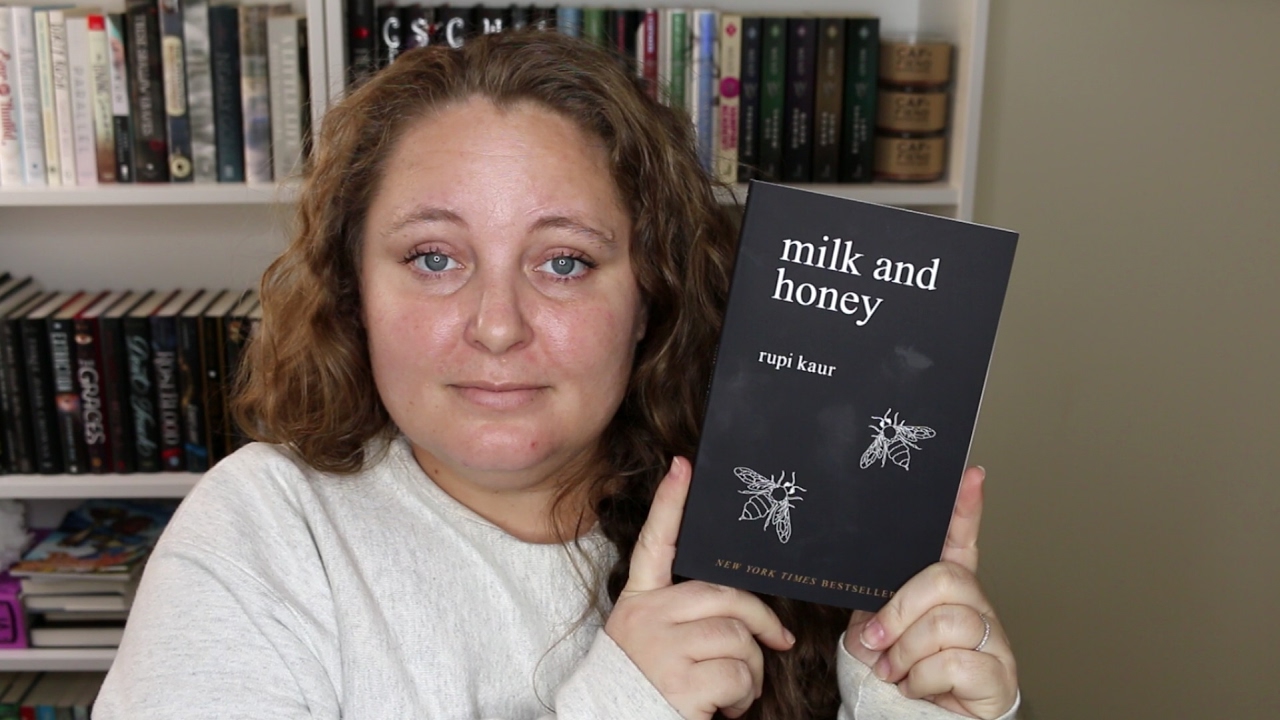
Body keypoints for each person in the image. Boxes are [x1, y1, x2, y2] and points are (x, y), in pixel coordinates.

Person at [94, 31, 1019, 720]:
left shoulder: (785, 522)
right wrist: (623, 703)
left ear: (648, 295)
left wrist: (906, 703)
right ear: (353, 290)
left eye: (565, 263)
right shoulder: (262, 532)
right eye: (432, 257)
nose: (498, 326)